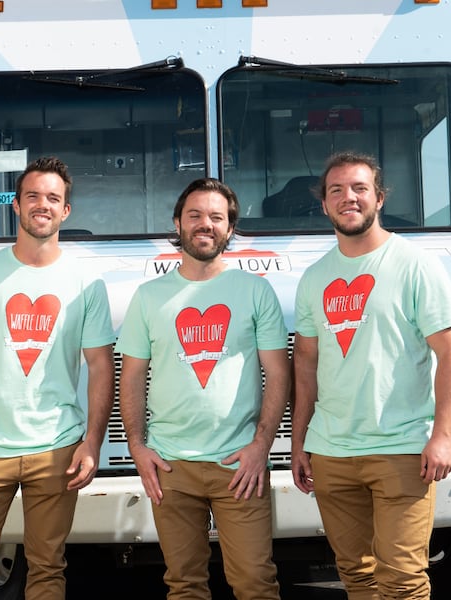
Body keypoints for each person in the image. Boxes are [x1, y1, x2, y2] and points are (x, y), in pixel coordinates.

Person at [0, 156, 116, 599]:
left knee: (48, 569)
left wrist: (92, 442)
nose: (42, 204)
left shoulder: (87, 282)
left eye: (53, 198)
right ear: (16, 205)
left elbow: (100, 366)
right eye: (32, 196)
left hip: (57, 448)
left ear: (65, 210)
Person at [291, 151, 451, 600]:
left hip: (402, 449)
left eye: (359, 188)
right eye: (336, 190)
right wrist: (300, 443)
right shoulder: (314, 278)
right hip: (331, 452)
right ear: (324, 205)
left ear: (379, 198)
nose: (348, 197)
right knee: (356, 575)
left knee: (403, 579)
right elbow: (306, 365)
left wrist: (443, 435)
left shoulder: (415, 264)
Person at [116, 178, 290, 600]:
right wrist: (137, 447)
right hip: (170, 466)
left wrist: (261, 446)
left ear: (230, 228)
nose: (205, 224)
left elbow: (278, 373)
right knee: (184, 585)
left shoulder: (255, 290)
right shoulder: (148, 297)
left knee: (255, 582)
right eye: (194, 215)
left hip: (240, 464)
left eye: (216, 217)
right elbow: (132, 376)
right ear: (178, 223)